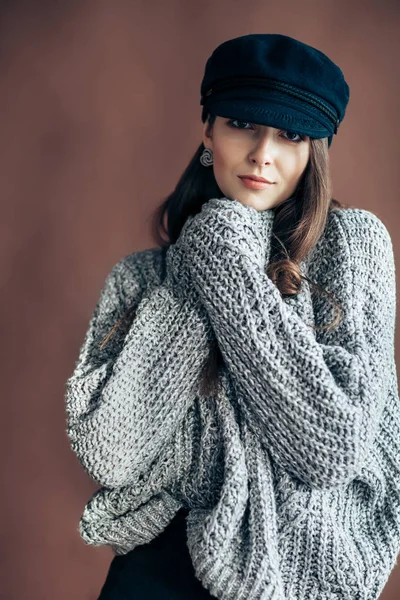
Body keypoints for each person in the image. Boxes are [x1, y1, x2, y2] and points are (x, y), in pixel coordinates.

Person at [65, 33, 400, 599]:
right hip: (157, 568)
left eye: (290, 135)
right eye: (242, 124)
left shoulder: (352, 247)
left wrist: (225, 263)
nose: (263, 153)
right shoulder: (143, 278)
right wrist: (214, 249)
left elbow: (329, 447)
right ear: (208, 131)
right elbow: (112, 452)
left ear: (314, 150)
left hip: (304, 570)